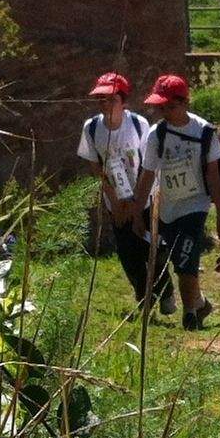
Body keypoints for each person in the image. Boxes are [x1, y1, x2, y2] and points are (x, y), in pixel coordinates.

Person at [131, 74, 220, 331]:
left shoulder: (205, 132)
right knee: (178, 261)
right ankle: (200, 303)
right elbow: (147, 174)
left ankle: (189, 315)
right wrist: (137, 213)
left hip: (195, 206)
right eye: (160, 107)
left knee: (185, 260)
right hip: (167, 209)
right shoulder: (157, 134)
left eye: (170, 107)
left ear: (185, 102)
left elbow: (213, 174)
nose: (165, 112)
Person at [75, 71, 169, 316]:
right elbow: (96, 165)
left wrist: (135, 207)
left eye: (111, 99)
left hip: (144, 197)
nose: (105, 104)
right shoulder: (92, 127)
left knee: (152, 247)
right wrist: (115, 202)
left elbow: (146, 167)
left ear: (123, 101)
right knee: (128, 253)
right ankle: (144, 298)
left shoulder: (139, 125)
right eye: (101, 100)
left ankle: (166, 289)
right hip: (115, 200)